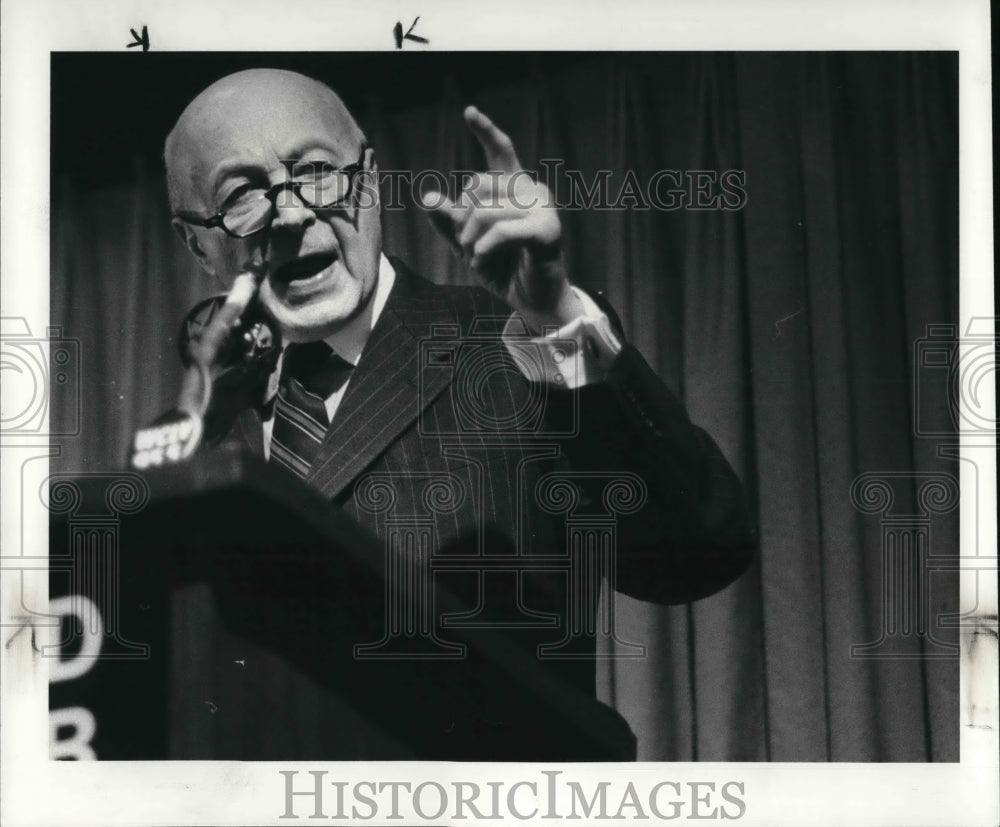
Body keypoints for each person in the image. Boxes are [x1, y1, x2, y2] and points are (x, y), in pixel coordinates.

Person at [163, 67, 756, 760]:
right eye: (242, 195)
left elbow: (701, 548)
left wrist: (557, 318)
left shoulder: (519, 344)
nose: (291, 213)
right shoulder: (196, 433)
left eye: (317, 172)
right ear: (199, 244)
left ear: (371, 179)